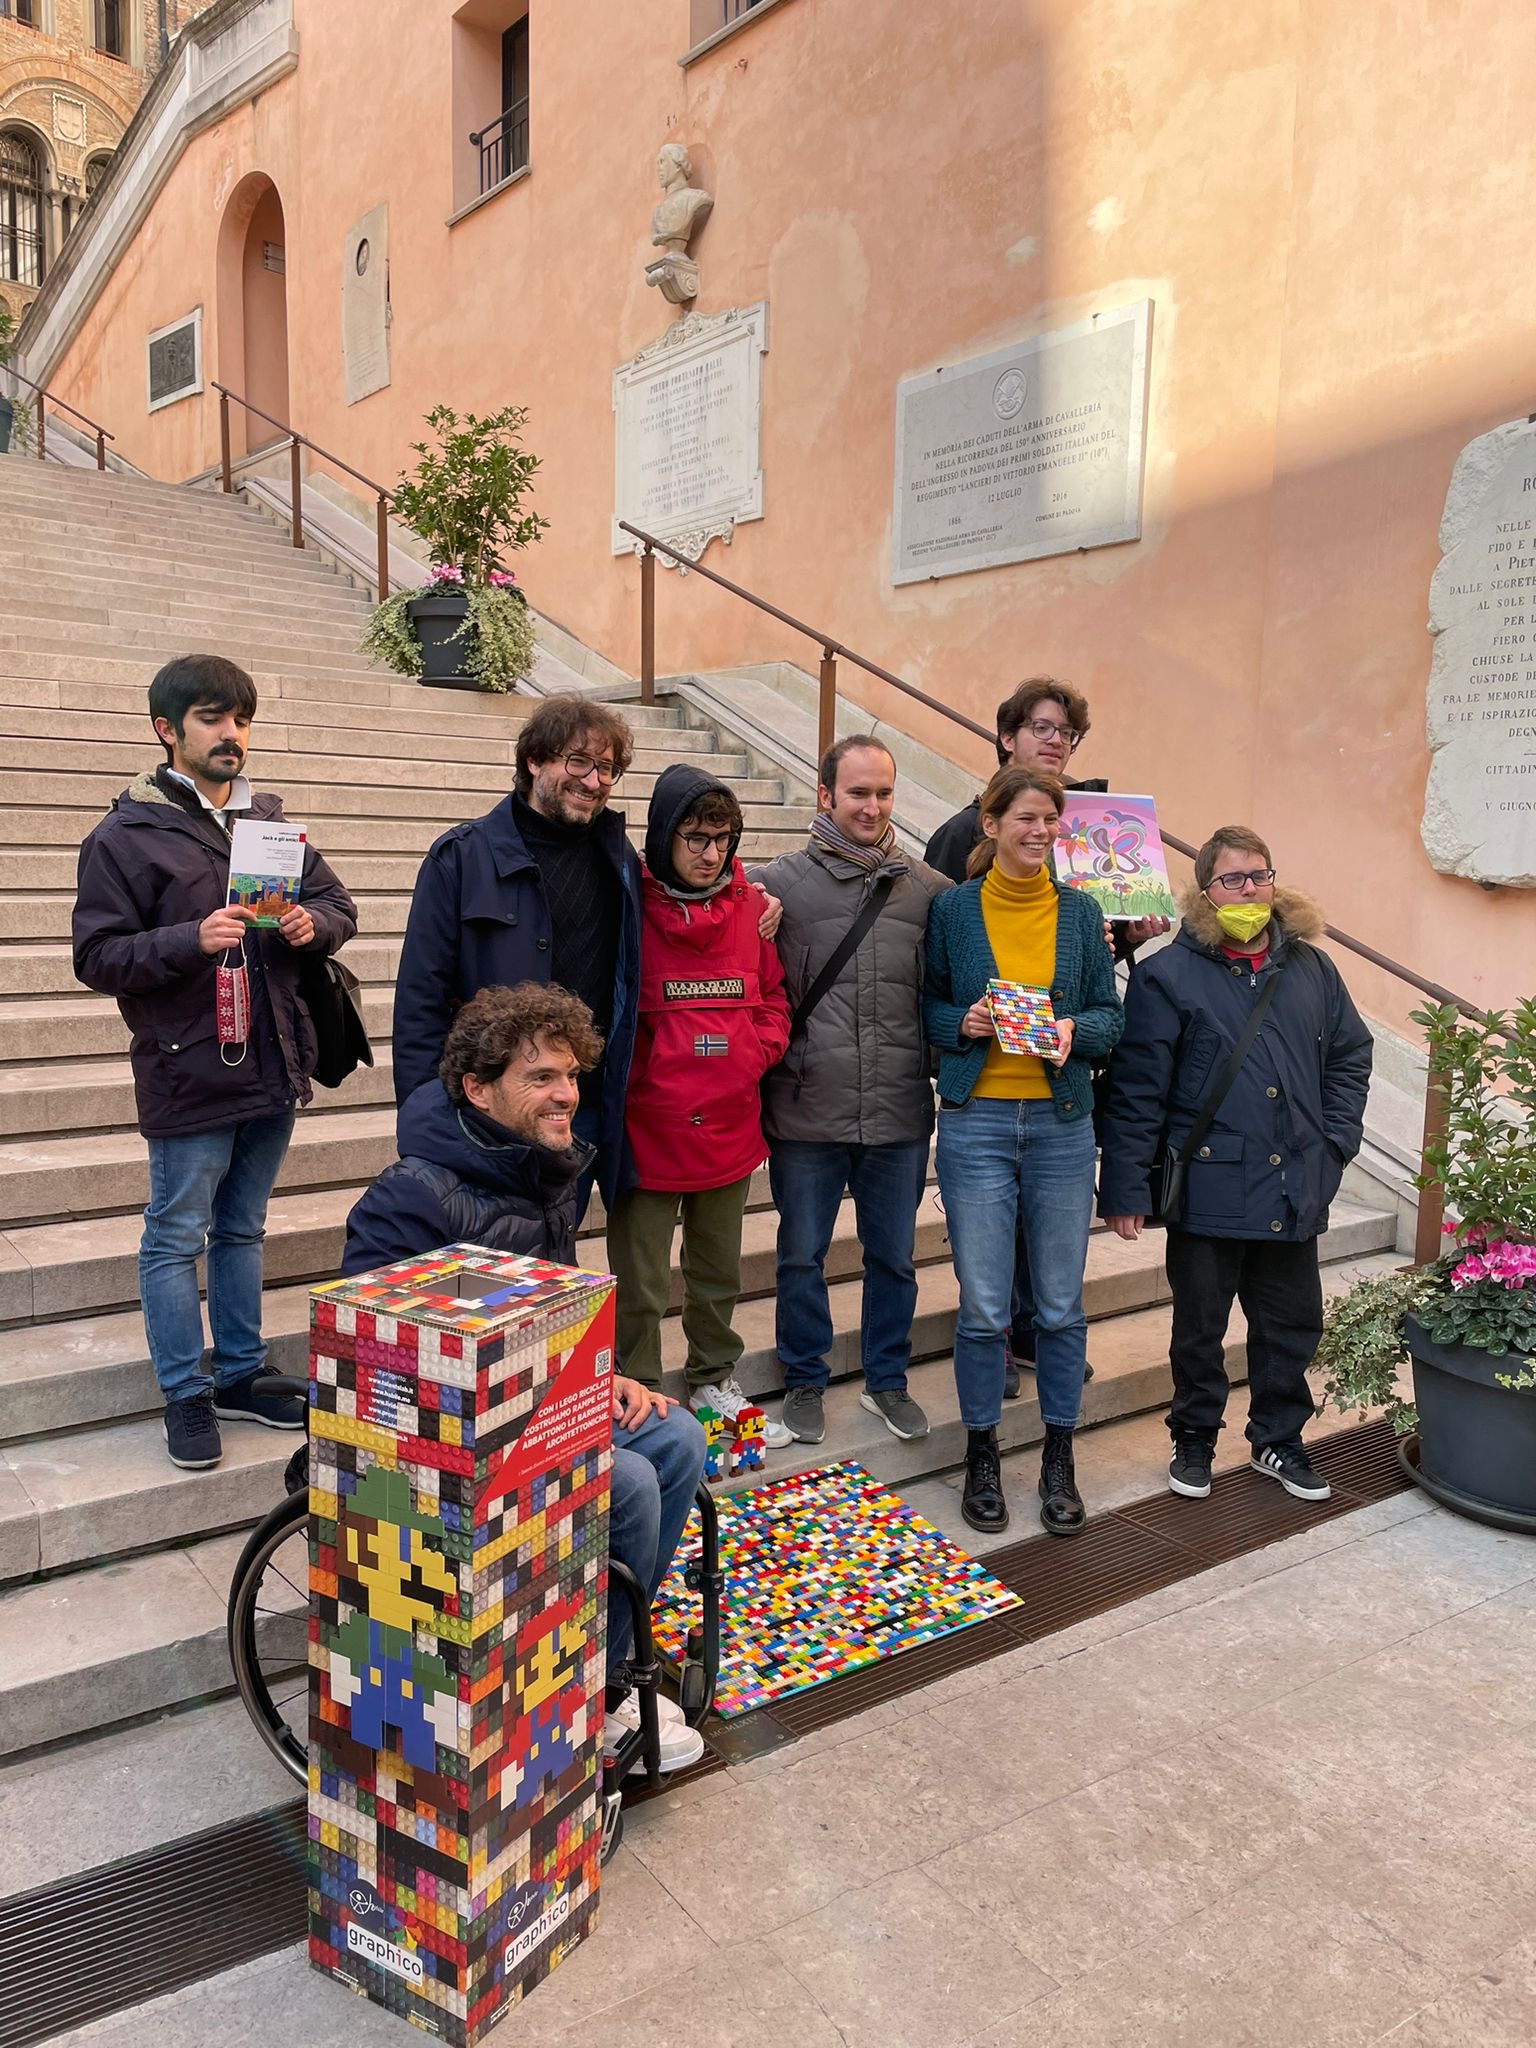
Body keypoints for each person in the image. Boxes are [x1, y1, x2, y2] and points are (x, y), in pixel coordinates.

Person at [342, 981, 708, 1772]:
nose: (566, 1094)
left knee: (675, 1434)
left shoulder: (545, 1172)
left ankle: (602, 1665)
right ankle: (584, 1693)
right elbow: (372, 1356)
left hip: (537, 1410)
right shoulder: (411, 1197)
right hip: (441, 1440)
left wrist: (603, 1373)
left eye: (570, 1075)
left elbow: (557, 1313)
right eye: (541, 1077)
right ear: (479, 1089)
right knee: (627, 1483)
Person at [72, 654, 357, 1472]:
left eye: (241, 719)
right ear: (167, 730)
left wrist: (311, 925)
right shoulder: (125, 835)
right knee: (175, 1237)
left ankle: (238, 1373)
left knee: (242, 1228)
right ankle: (185, 1393)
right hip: (189, 1066)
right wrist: (186, 940)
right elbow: (96, 955)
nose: (232, 734)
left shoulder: (267, 824)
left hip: (272, 1059)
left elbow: (338, 904)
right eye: (212, 718)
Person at [1098, 826, 1373, 1504]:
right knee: (1200, 1328)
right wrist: (1126, 1187)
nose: (1249, 890)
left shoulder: (1311, 967)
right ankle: (1194, 1437)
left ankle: (1279, 1439)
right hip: (1209, 1186)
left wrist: (1334, 1143)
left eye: (1259, 875)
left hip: (1293, 1184)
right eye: (1232, 879)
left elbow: (1349, 1055)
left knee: (1291, 1324)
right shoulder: (1166, 974)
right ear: (1206, 891)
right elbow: (1137, 1092)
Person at [925, 676, 1167, 1395]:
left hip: (1059, 1094)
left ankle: (1035, 1338)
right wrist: (961, 1021)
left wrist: (1129, 938)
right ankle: (999, 1343)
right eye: (1042, 727)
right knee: (989, 1247)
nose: (1056, 741)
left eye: (1067, 732)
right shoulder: (958, 861)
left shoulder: (1088, 843)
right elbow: (933, 986)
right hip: (983, 1100)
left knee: (1055, 1264)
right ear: (1007, 738)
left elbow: (1093, 982)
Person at [924, 766, 1123, 1535]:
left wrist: (1075, 1031)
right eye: (1026, 818)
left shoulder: (1081, 913)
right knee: (981, 1305)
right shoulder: (953, 909)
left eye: (1050, 819)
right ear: (992, 824)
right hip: (975, 1123)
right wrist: (961, 1024)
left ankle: (1058, 1457)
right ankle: (982, 1453)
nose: (1040, 831)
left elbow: (1109, 1017)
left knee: (1061, 1304)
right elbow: (927, 1005)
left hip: (1061, 1126)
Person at [751, 736, 951, 1447]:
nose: (872, 807)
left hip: (897, 1108)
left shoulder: (931, 892)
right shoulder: (775, 885)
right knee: (801, 1253)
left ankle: (886, 1379)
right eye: (858, 793)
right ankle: (804, 1378)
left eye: (883, 793)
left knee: (893, 1257)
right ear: (825, 795)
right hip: (806, 1106)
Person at [390, 694, 642, 1221]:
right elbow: (420, 1000)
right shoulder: (461, 857)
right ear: (533, 760)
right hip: (493, 1112)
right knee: (493, 1263)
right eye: (578, 762)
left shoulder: (617, 858)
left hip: (582, 1105)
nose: (594, 781)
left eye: (607, 769)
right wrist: (426, 1116)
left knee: (557, 1253)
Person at [605, 765, 794, 1448]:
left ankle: (714, 1377)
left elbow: (773, 997)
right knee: (640, 1281)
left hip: (729, 1126)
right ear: (664, 836)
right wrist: (644, 1075)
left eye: (722, 839)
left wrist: (751, 1052)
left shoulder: (752, 909)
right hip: (649, 1130)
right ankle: (637, 1390)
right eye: (695, 838)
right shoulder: (626, 904)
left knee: (717, 1272)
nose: (710, 853)